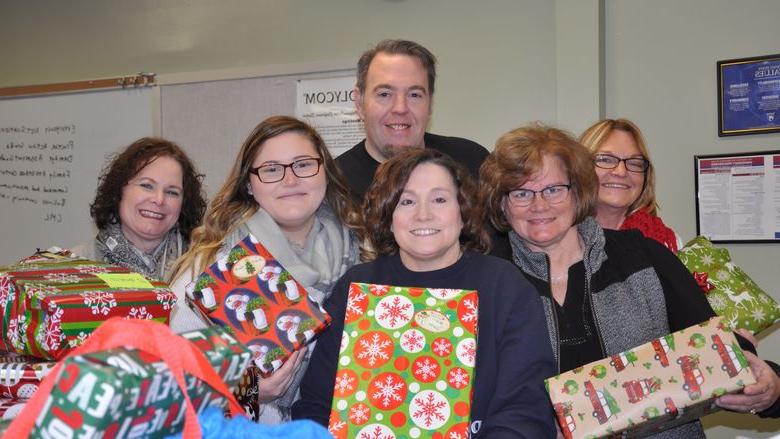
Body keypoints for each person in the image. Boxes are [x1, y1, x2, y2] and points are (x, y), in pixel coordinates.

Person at [479, 124, 780, 437]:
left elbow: (718, 349)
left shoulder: (643, 257)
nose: (539, 205)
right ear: (502, 203)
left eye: (554, 189)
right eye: (521, 193)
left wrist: (769, 384)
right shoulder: (488, 282)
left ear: (579, 192)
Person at [293, 149, 556, 438]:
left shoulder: (503, 286)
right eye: (406, 201)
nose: (423, 214)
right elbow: (317, 403)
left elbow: (525, 410)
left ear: (462, 210)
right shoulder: (357, 288)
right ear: (388, 216)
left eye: (439, 199)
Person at [169, 116, 363, 423]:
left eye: (303, 164)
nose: (290, 180)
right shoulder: (212, 266)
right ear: (249, 183)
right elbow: (169, 381)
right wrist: (249, 390)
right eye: (272, 169)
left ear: (324, 171)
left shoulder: (363, 257)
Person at [336, 39, 510, 258]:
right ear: (359, 104)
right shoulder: (335, 183)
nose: (400, 108)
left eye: (414, 95)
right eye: (384, 94)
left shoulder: (472, 161)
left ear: (430, 104)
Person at [75, 137, 206, 280]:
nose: (159, 199)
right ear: (119, 190)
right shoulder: (73, 268)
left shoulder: (204, 269)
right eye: (147, 186)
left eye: (172, 192)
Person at [579, 118, 679, 252]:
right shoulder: (557, 240)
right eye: (606, 160)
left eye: (634, 162)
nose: (621, 172)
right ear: (580, 167)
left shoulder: (667, 242)